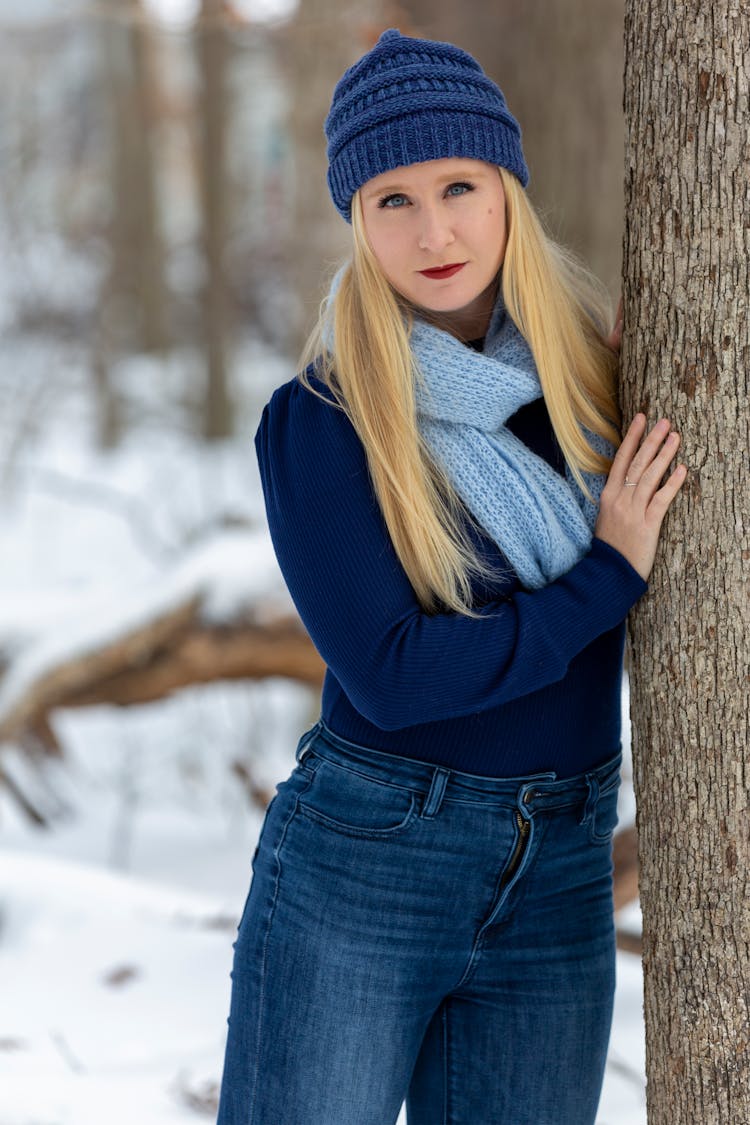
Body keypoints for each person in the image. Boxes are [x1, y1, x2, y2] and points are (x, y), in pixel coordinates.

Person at [216, 29, 686, 1125]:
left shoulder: (594, 385)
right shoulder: (324, 422)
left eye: (459, 186)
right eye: (393, 200)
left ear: (507, 189)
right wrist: (606, 573)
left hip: (564, 862)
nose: (435, 231)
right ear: (356, 219)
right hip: (369, 866)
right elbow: (393, 673)